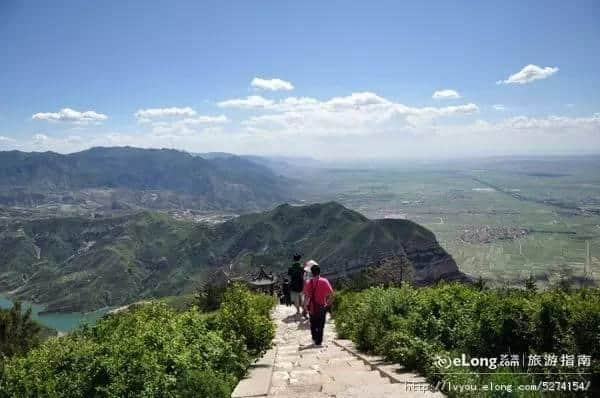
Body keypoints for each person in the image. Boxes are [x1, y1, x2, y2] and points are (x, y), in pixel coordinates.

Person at [303, 263, 334, 346]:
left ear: (312, 273)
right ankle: (319, 340)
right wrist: (328, 304)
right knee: (321, 324)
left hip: (312, 307)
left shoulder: (308, 282)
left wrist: (305, 307)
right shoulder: (324, 281)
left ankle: (314, 337)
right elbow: (331, 294)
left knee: (313, 323)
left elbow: (306, 296)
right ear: (319, 272)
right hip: (321, 306)